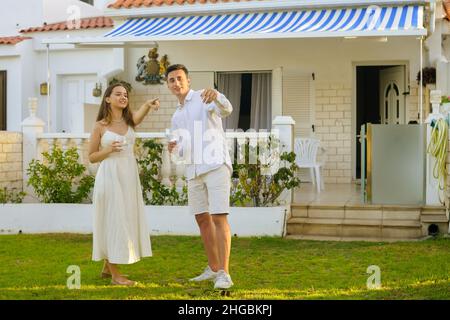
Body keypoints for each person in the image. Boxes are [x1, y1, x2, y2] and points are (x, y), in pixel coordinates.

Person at [166, 64, 234, 289]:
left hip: (215, 165)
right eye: (172, 80)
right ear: (168, 86)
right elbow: (183, 149)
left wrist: (218, 95)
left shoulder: (203, 98)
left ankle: (224, 273)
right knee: (202, 219)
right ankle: (213, 268)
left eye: (179, 78)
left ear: (188, 80)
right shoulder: (176, 116)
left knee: (218, 217)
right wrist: (175, 149)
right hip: (193, 171)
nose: (176, 83)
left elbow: (226, 110)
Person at [88, 83, 160, 286]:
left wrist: (147, 104)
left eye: (125, 94)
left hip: (128, 176)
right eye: (118, 94)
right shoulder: (99, 126)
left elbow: (139, 116)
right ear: (107, 99)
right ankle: (115, 276)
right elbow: (92, 157)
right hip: (110, 176)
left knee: (124, 218)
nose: (123, 97)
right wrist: (108, 150)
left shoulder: (129, 121)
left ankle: (106, 266)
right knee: (113, 219)